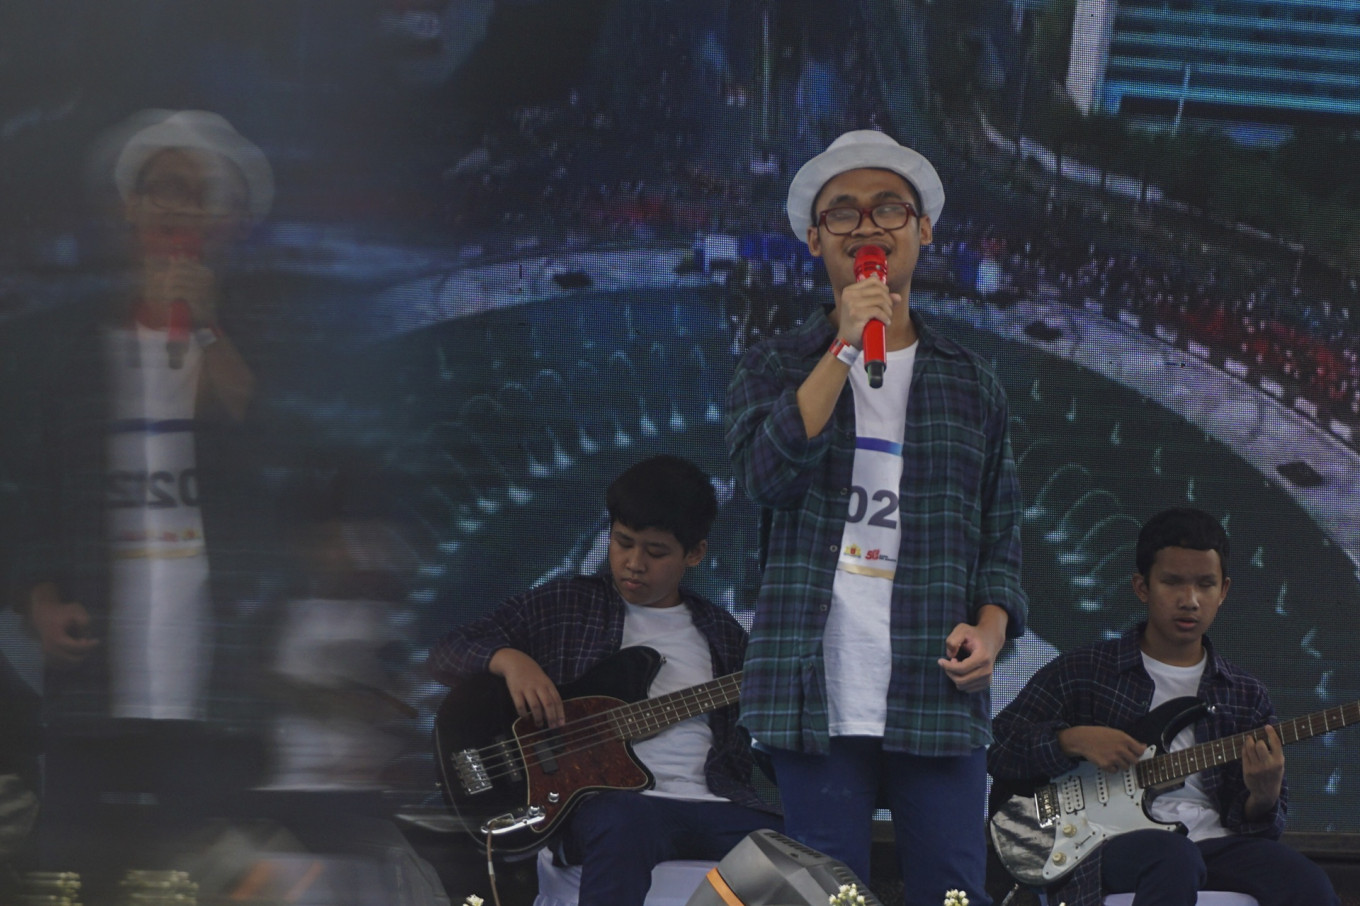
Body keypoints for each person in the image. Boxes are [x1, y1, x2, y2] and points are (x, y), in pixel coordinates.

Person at [725, 129, 1026, 904]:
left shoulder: (972, 383)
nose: (867, 227)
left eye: (889, 208)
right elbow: (762, 479)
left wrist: (991, 630)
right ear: (815, 239)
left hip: (937, 692)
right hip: (812, 688)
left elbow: (1001, 540)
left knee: (954, 893)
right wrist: (844, 350)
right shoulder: (775, 367)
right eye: (843, 213)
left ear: (922, 231)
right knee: (826, 896)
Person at [428, 454, 780, 906]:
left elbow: (764, 737)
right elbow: (445, 653)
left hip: (716, 804)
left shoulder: (725, 635)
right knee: (624, 819)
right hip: (616, 807)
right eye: (622, 543)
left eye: (655, 552)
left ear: (695, 553)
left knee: (794, 846)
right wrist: (508, 659)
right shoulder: (565, 605)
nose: (634, 563)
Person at [987, 507, 1339, 906]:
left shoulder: (1245, 693)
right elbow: (1000, 747)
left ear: (1223, 592)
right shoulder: (1083, 671)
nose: (1189, 600)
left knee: (1306, 882)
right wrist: (1071, 740)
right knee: (1173, 858)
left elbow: (1260, 833)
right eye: (1172, 582)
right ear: (1142, 587)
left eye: (1205, 585)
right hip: (1104, 845)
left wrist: (1264, 796)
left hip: (1211, 846)